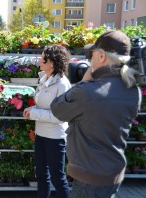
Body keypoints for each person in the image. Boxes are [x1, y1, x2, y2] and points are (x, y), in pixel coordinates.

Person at [50, 30, 141, 198]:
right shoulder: (133, 90)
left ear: (101, 57)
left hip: (89, 178)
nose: (90, 60)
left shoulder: (87, 92)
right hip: (113, 174)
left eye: (92, 55)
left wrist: (84, 82)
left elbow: (57, 109)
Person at [23, 44, 71, 198]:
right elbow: (42, 104)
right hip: (41, 134)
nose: (40, 59)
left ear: (53, 62)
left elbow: (61, 116)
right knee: (42, 175)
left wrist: (35, 113)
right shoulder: (43, 78)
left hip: (55, 138)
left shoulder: (63, 84)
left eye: (44, 57)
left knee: (58, 178)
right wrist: (32, 111)